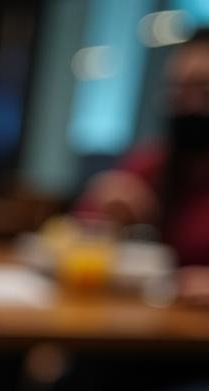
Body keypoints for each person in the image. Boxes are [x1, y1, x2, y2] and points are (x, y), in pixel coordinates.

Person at [77, 27, 209, 302]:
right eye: (177, 87)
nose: (186, 103)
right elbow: (83, 229)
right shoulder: (154, 163)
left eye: (203, 89)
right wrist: (105, 202)